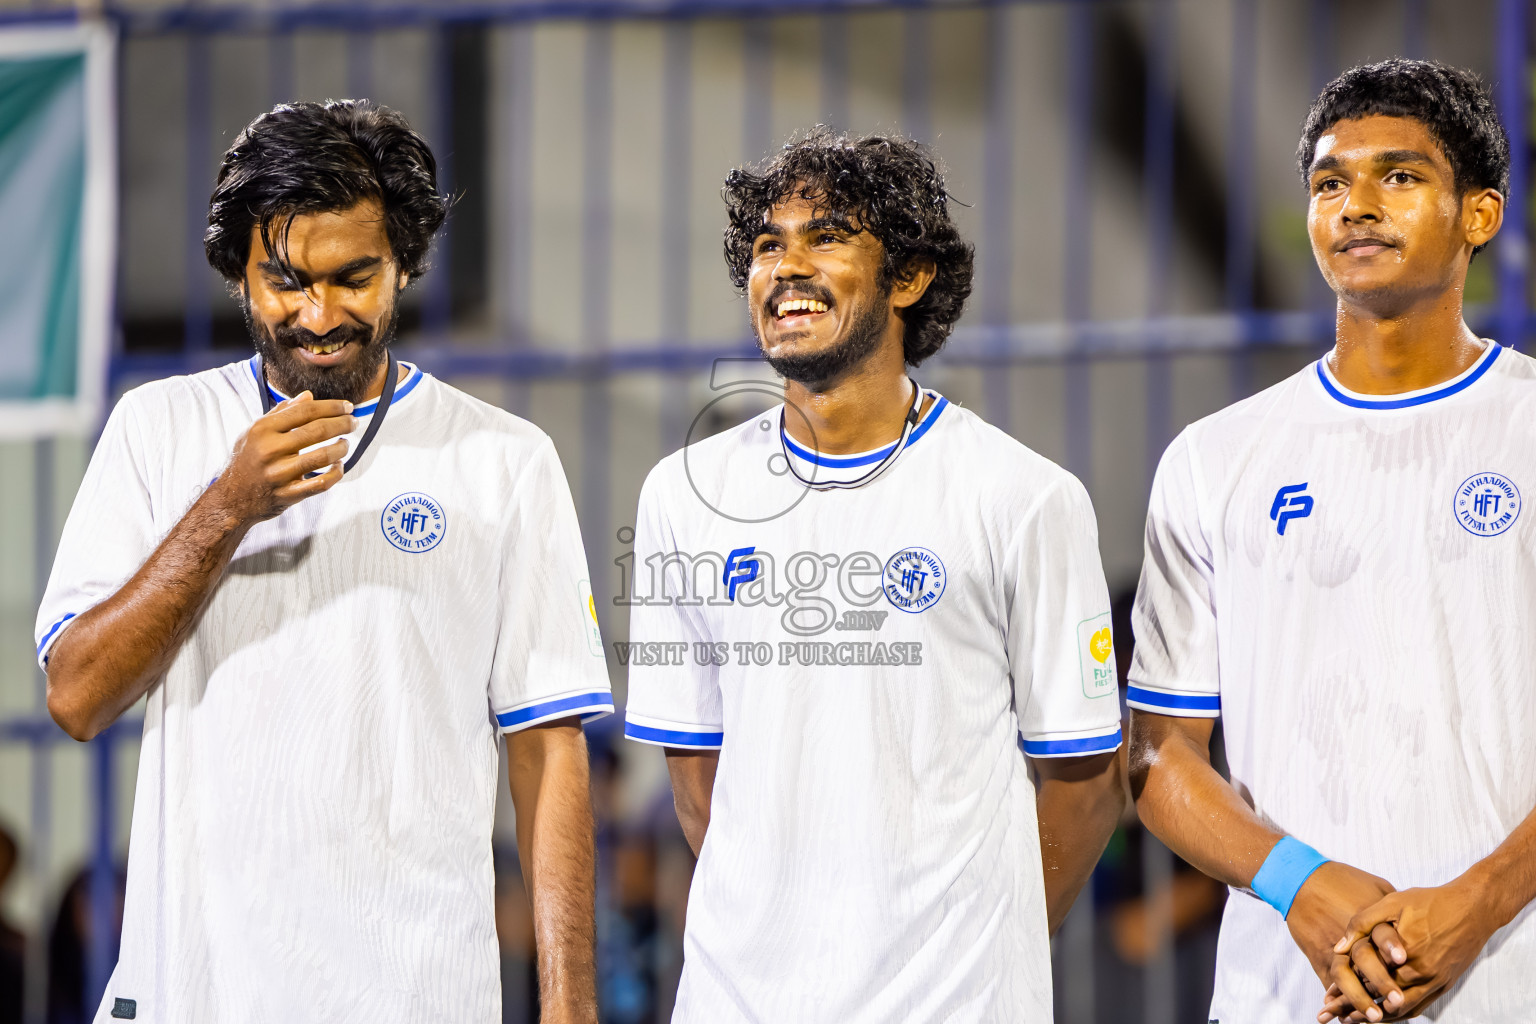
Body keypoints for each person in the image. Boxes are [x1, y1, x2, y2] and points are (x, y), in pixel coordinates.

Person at [35, 100, 611, 1024]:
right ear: (239, 274)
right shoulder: (158, 430)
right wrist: (228, 506)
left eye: (355, 278)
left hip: (415, 996)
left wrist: (570, 1009)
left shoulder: (504, 460)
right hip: (196, 995)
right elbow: (76, 695)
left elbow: (548, 750)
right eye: (286, 279)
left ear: (405, 268)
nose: (319, 313)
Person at [622, 129, 1124, 1021]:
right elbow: (697, 782)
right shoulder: (684, 494)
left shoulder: (1026, 497)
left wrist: (986, 954)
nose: (787, 266)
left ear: (909, 277)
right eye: (769, 244)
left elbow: (1086, 787)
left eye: (826, 237)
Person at [1127, 59, 1536, 1024]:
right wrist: (1302, 887)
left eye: (1399, 176)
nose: (1357, 205)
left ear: (1480, 215)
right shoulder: (1213, 457)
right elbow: (1156, 756)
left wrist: (1474, 907)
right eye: (1329, 183)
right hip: (1284, 994)